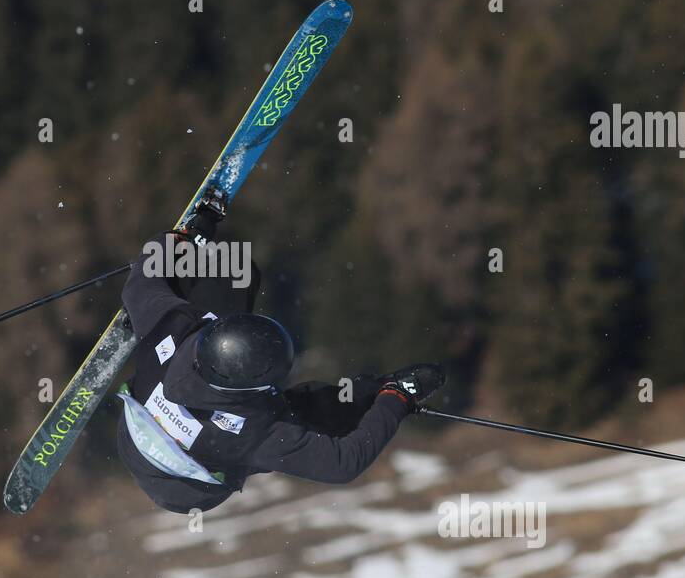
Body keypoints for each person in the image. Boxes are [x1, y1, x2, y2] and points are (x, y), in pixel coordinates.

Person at [116, 196, 444, 514]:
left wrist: (184, 238)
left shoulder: (171, 328)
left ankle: (373, 392)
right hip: (190, 490)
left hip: (132, 433)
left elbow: (141, 282)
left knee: (235, 270)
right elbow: (344, 463)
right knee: (304, 409)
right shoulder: (254, 436)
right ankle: (376, 392)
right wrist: (395, 400)